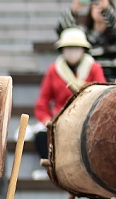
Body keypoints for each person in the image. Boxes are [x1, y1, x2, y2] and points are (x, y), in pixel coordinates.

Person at [34, 26, 106, 162]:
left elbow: (100, 97)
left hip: (86, 119)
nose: (72, 53)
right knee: (41, 136)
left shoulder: (94, 68)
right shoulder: (53, 70)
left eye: (76, 48)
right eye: (68, 49)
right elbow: (42, 102)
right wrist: (47, 120)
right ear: (62, 50)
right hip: (59, 119)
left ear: (83, 50)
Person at [57, 0, 116, 81]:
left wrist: (106, 8)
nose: (99, 8)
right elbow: (63, 31)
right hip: (88, 86)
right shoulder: (82, 35)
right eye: (95, 5)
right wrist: (74, 9)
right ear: (90, 10)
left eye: (102, 6)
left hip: (111, 86)